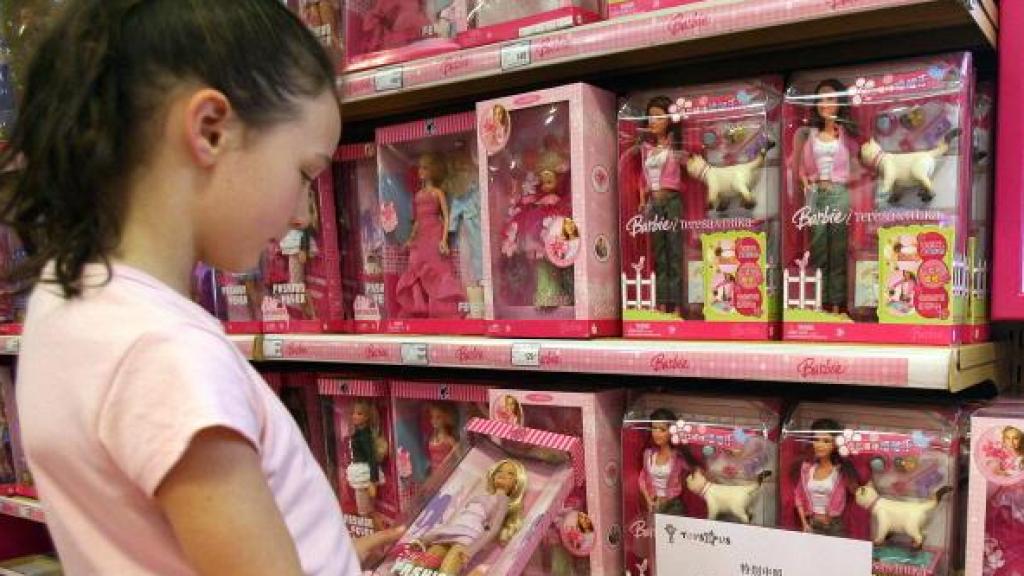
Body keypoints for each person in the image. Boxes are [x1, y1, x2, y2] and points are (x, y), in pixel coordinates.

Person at [0, 2, 401, 574]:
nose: (304, 213)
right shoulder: (164, 352)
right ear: (210, 129)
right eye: (305, 173)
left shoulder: (61, 303)